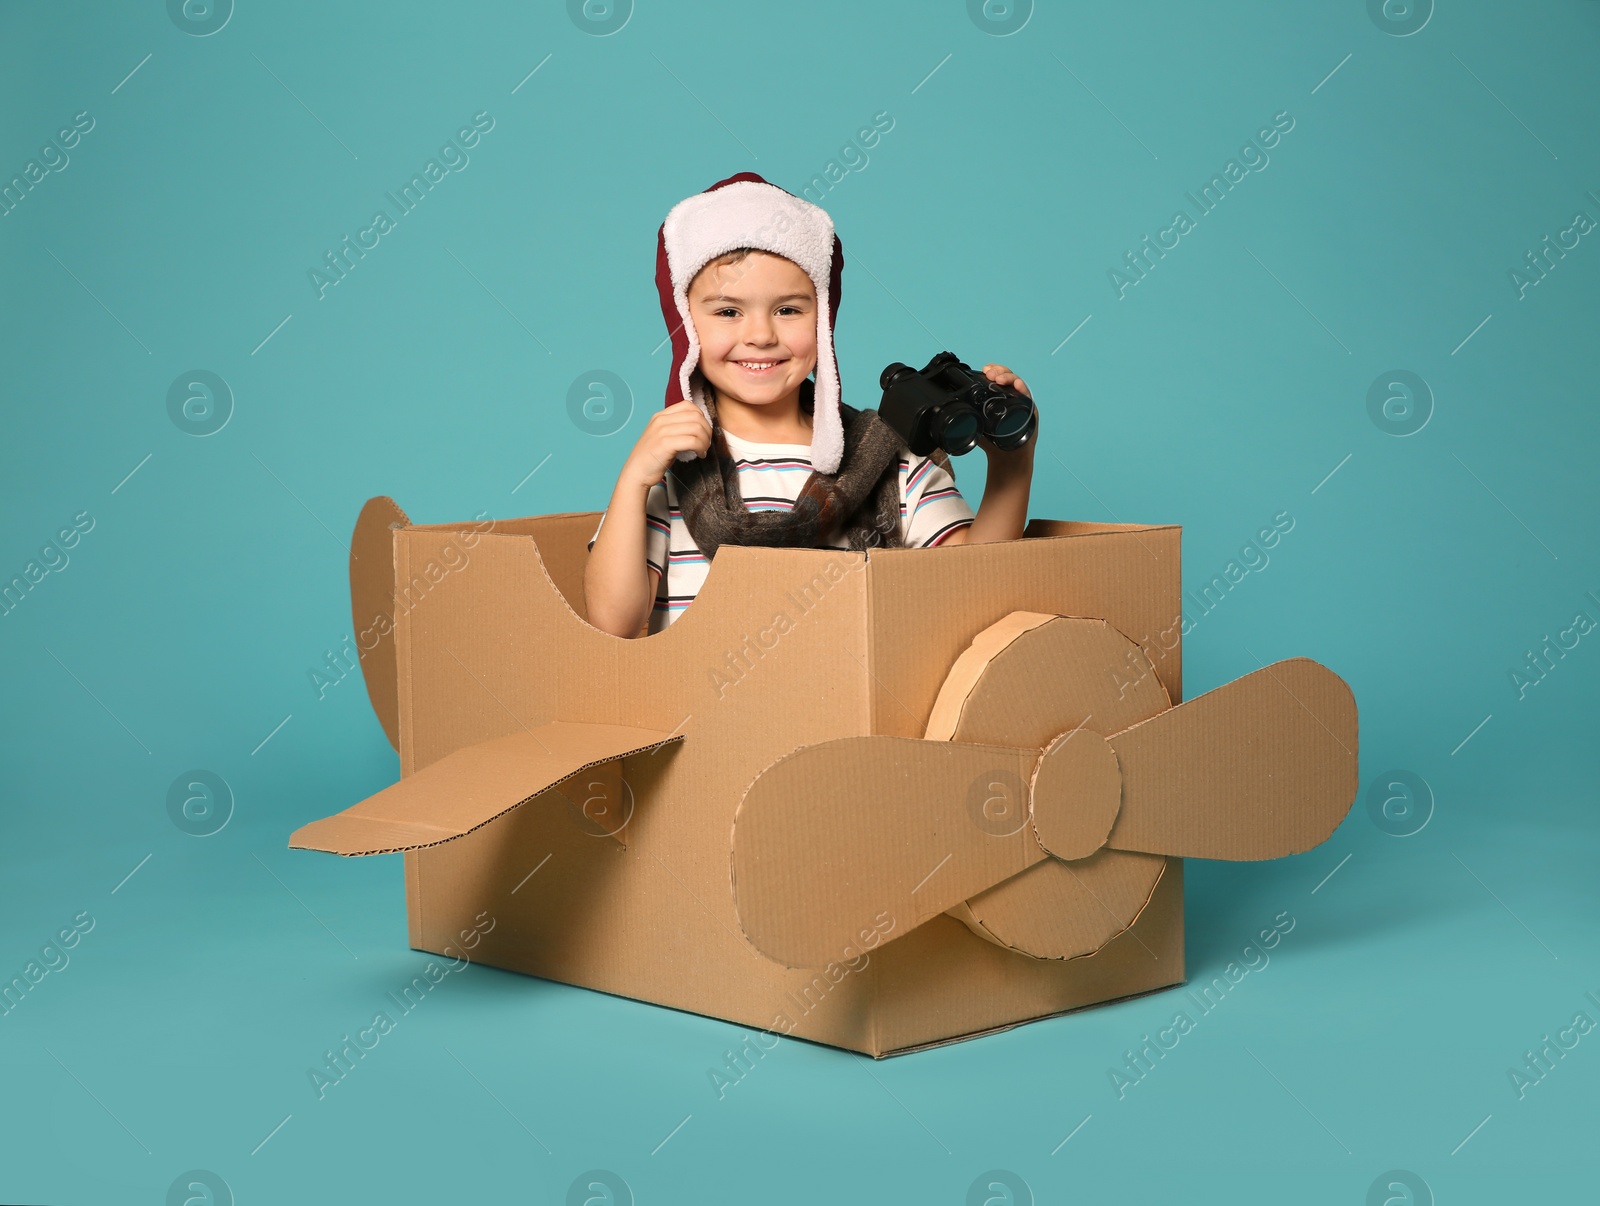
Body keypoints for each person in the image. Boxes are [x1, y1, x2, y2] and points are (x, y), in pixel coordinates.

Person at [584, 172, 1037, 638]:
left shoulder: (887, 457)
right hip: (700, 708)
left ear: (823, 322)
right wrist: (635, 478)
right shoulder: (671, 468)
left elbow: (973, 584)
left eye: (788, 310)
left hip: (847, 705)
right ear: (686, 324)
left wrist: (1012, 463)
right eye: (727, 311)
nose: (760, 335)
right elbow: (613, 624)